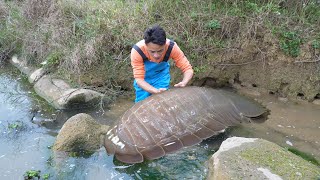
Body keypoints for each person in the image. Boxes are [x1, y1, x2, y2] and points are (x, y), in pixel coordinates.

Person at [131, 25, 194, 103]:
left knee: (161, 102)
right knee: (141, 103)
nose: (156, 55)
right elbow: (139, 79)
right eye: (152, 52)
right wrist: (154, 90)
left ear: (165, 44)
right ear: (146, 45)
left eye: (160, 51)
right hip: (144, 78)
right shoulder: (137, 51)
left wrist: (184, 82)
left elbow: (187, 68)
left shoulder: (172, 47)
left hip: (161, 76)